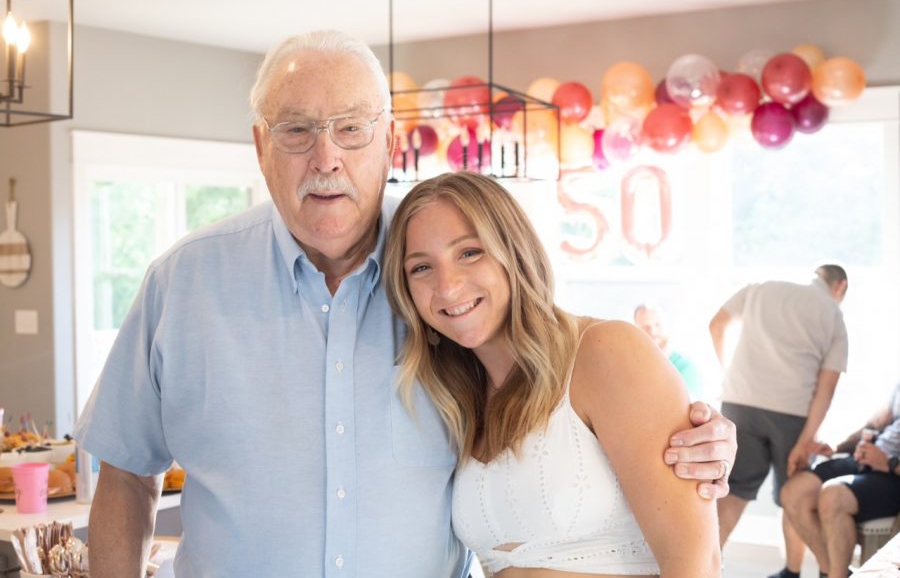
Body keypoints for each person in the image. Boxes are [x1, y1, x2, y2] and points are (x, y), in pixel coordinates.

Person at [74, 30, 737, 578]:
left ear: (388, 139)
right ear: (259, 145)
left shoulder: (446, 287)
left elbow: (569, 382)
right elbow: (127, 474)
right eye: (297, 130)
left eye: (351, 129)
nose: (325, 157)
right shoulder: (182, 284)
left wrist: (692, 434)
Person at [384, 171, 722, 577]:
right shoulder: (459, 398)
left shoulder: (607, 351)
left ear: (514, 250)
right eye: (421, 268)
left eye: (469, 252)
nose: (448, 286)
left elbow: (697, 563)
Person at [709, 265, 849, 573]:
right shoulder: (832, 313)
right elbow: (827, 388)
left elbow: (717, 324)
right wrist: (806, 440)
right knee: (793, 497)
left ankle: (702, 567)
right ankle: (793, 571)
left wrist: (730, 375)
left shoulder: (762, 287)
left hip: (740, 402)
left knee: (732, 492)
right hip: (792, 413)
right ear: (840, 286)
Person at [779, 382, 900, 578]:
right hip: (866, 460)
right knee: (795, 490)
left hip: (893, 474)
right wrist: (839, 448)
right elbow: (877, 422)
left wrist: (889, 463)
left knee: (833, 495)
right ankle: (833, 573)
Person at [633, 303, 705, 400]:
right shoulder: (632, 366)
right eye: (646, 327)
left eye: (657, 325)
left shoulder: (685, 367)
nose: (653, 332)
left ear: (667, 325)